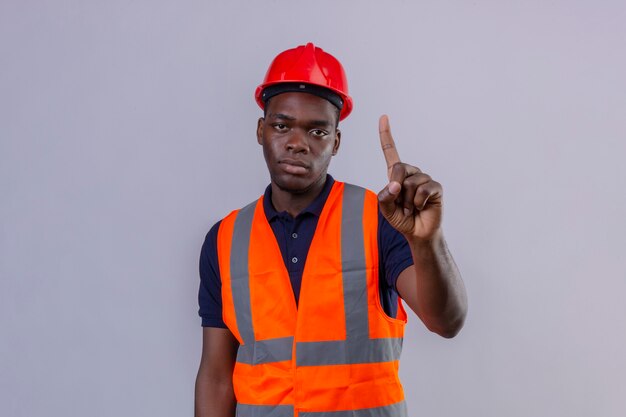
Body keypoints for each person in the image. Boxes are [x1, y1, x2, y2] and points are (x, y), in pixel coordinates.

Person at [195, 42, 467, 417]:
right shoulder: (224, 240)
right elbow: (216, 375)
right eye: (281, 125)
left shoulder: (378, 219)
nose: (297, 143)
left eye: (317, 132)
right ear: (261, 130)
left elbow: (446, 321)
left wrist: (428, 243)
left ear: (335, 142)